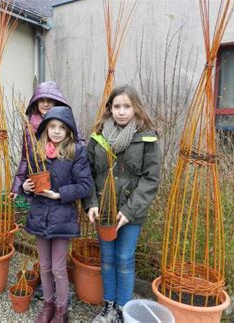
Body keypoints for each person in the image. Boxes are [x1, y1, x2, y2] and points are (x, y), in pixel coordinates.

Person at [84, 85, 161, 322]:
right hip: (104, 212)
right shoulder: (98, 136)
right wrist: (91, 204)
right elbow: (86, 172)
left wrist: (128, 211)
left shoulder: (146, 137)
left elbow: (151, 179)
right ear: (109, 109)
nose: (121, 111)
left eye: (127, 106)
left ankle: (123, 309)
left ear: (136, 108)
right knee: (107, 258)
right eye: (116, 106)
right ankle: (109, 307)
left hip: (131, 214)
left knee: (124, 259)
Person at [23, 107, 92, 323]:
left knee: (59, 269)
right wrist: (26, 186)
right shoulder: (37, 151)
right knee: (44, 266)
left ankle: (62, 312)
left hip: (62, 218)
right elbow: (29, 178)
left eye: (62, 127)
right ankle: (48, 307)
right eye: (52, 126)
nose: (57, 131)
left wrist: (59, 194)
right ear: (45, 128)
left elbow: (85, 185)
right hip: (39, 216)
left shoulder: (76, 152)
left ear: (69, 131)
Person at [11, 81, 75, 198]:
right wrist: (18, 186)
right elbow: (26, 157)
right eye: (42, 100)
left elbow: (77, 144)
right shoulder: (29, 125)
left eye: (49, 100)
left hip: (61, 178)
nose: (45, 104)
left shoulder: (66, 120)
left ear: (56, 102)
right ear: (36, 102)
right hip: (40, 177)